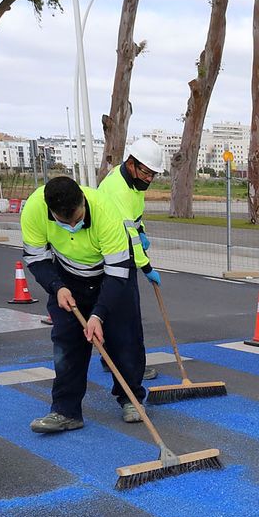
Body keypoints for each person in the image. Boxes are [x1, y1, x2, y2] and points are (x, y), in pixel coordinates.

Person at [20, 175, 147, 433]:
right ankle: (65, 411)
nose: (73, 226)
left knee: (124, 339)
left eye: (77, 219)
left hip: (111, 275)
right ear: (51, 212)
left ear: (83, 202)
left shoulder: (105, 212)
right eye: (64, 222)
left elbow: (117, 272)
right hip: (67, 276)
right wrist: (57, 287)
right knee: (67, 343)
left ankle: (131, 399)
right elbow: (36, 259)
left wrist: (98, 315)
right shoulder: (34, 210)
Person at [97, 138, 167, 380]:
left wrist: (142, 231)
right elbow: (129, 236)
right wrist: (146, 267)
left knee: (116, 311)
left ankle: (113, 360)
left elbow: (135, 220)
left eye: (153, 174)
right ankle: (132, 367)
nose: (149, 178)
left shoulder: (134, 185)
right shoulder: (118, 189)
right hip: (113, 253)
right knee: (128, 315)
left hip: (116, 248)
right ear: (131, 164)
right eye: (146, 172)